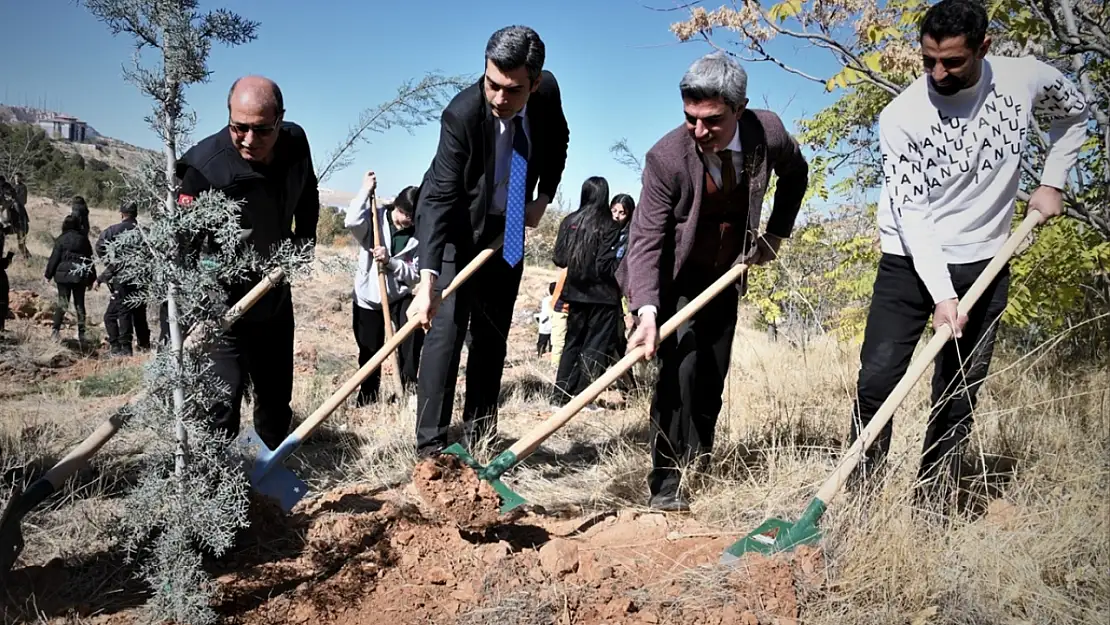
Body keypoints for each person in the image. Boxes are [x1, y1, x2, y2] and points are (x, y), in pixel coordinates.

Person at [848, 0, 1089, 506]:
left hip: (987, 258)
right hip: (908, 261)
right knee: (877, 381)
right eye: (928, 59)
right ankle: (861, 501)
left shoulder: (1026, 79)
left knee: (958, 387)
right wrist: (941, 294)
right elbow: (913, 214)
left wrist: (1053, 182)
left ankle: (933, 501)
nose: (938, 73)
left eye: (953, 62)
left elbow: (1075, 114)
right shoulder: (902, 117)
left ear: (984, 47)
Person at [619, 51, 809, 511]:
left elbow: (797, 174)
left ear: (739, 110)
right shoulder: (666, 158)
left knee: (711, 373)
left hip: (726, 276)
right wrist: (646, 309)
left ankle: (697, 462)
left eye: (712, 121)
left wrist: (776, 234)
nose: (699, 132)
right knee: (678, 373)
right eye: (690, 119)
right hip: (674, 277)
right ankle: (665, 483)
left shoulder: (769, 133)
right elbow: (645, 237)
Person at [408, 25, 570, 456]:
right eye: (491, 83)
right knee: (444, 331)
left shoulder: (547, 94)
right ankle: (431, 449)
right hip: (456, 224)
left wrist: (544, 197)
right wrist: (427, 281)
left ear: (534, 83)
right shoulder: (461, 113)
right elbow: (441, 196)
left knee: (492, 335)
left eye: (513, 90)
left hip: (511, 222)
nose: (499, 98)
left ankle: (480, 436)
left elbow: (558, 142)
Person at [174, 75, 320, 451]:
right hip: (223, 307)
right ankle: (216, 490)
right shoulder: (204, 169)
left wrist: (303, 241)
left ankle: (265, 484)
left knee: (275, 403)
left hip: (273, 293)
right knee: (221, 405)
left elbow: (308, 193)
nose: (250, 140)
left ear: (280, 119)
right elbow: (184, 250)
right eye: (239, 128)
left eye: (262, 130)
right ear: (229, 118)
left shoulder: (296, 142)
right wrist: (195, 309)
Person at [345, 171, 423, 406]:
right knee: (369, 350)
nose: (405, 220)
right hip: (369, 296)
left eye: (411, 216)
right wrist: (365, 190)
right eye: (402, 213)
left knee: (412, 335)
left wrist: (391, 262)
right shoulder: (374, 219)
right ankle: (367, 398)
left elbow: (414, 276)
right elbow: (351, 221)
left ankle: (407, 392)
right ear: (395, 205)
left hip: (398, 296)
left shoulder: (419, 234)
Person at [551, 176, 623, 408]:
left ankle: (559, 396)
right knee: (595, 347)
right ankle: (583, 400)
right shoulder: (610, 226)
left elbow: (559, 259)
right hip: (604, 297)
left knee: (572, 343)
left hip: (575, 293)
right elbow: (604, 266)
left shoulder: (569, 221)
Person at [96, 201, 151, 356]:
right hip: (141, 276)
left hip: (122, 276)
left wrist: (111, 264)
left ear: (121, 214)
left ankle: (126, 349)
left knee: (124, 311)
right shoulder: (144, 231)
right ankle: (144, 344)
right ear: (136, 214)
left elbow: (99, 246)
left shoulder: (113, 230)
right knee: (140, 311)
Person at [45, 214, 96, 344]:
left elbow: (54, 258)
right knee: (80, 304)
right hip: (79, 276)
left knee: (62, 303)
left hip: (62, 276)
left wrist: (48, 275)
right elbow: (89, 260)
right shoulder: (83, 240)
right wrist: (92, 279)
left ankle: (55, 331)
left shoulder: (61, 239)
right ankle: (82, 333)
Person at [12, 172, 29, 259]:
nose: (16, 179)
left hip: (19, 210)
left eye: (18, 177)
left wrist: (13, 199)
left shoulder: (23, 187)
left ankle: (26, 256)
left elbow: (23, 201)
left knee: (21, 243)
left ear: (21, 178)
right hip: (9, 207)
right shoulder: (11, 186)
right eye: (15, 177)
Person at [535, 282, 554, 357]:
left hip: (544, 323)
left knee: (542, 342)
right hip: (551, 322)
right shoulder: (556, 299)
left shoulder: (545, 299)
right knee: (553, 343)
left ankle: (540, 354)